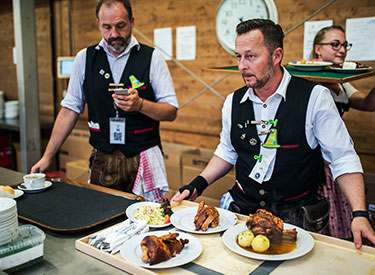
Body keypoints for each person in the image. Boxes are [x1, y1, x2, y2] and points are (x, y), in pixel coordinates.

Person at [172, 19, 375, 249]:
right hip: (242, 215)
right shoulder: (233, 101)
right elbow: (227, 152)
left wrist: (360, 213)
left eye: (251, 56)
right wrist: (197, 184)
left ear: (276, 55)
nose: (241, 66)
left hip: (295, 223)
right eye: (238, 57)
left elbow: (343, 158)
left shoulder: (315, 97)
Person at [31, 0, 178, 202]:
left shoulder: (152, 58)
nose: (114, 34)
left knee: (148, 221)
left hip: (144, 156)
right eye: (106, 27)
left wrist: (140, 105)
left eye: (121, 26)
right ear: (98, 24)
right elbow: (70, 109)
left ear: (132, 22)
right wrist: (48, 156)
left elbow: (170, 111)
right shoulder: (84, 58)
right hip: (103, 157)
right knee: (103, 218)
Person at [311, 25, 375, 240]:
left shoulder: (341, 83)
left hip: (334, 156)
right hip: (312, 158)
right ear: (318, 49)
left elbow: (368, 104)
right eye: (335, 44)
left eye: (344, 45)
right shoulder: (307, 81)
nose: (342, 50)